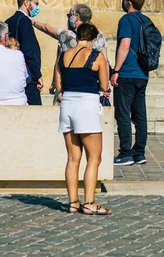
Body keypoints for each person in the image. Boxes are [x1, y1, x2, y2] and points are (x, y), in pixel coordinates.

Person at [54, 23, 112, 215]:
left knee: (72, 158)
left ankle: (73, 203)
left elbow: (58, 85)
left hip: (67, 105)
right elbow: (104, 85)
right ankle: (89, 203)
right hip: (87, 105)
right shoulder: (97, 56)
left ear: (77, 35)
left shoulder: (63, 56)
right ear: (94, 39)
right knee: (94, 158)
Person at [32, 4, 109, 104]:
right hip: (91, 87)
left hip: (68, 86)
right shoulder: (99, 35)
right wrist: (106, 86)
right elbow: (106, 61)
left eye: (69, 16)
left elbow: (46, 28)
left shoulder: (67, 35)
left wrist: (32, 21)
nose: (69, 18)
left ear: (76, 17)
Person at [111, 0, 150, 166]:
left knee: (123, 114)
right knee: (140, 115)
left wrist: (116, 70)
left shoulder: (126, 20)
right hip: (142, 74)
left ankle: (125, 153)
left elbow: (125, 45)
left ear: (129, 3)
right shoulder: (146, 21)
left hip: (126, 73)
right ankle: (139, 153)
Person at [6, 0, 43, 105]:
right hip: (27, 77)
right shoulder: (24, 21)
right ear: (27, 3)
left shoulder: (8, 21)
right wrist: (37, 75)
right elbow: (29, 51)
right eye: (35, 3)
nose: (37, 7)